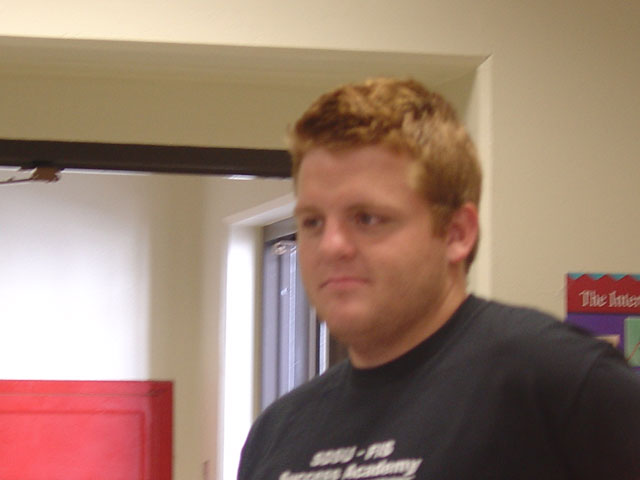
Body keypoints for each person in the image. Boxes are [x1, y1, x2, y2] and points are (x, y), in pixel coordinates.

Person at [238, 78, 640, 480]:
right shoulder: (276, 433)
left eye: (367, 218)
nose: (331, 246)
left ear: (456, 233)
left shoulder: (559, 383)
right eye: (312, 222)